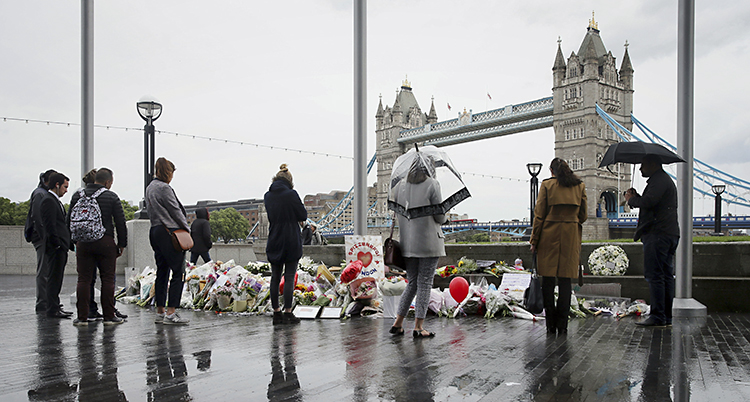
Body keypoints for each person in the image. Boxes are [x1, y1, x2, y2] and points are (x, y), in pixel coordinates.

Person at [389, 155, 446, 338]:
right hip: (429, 243)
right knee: (424, 284)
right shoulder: (432, 184)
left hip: (408, 243)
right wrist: (447, 213)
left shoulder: (399, 186)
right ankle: (419, 327)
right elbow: (440, 217)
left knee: (412, 283)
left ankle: (398, 323)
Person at [529, 158, 587, 335]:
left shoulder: (547, 185)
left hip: (549, 235)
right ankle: (563, 325)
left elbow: (539, 216)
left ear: (551, 171)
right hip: (570, 236)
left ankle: (550, 324)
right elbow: (583, 215)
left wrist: (534, 240)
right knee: (565, 282)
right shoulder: (580, 186)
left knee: (547, 281)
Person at [624, 154, 679, 327]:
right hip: (668, 233)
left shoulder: (659, 181)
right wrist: (636, 198)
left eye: (644, 165)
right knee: (666, 276)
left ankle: (658, 316)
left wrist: (631, 199)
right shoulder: (662, 181)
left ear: (654, 164)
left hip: (658, 235)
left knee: (655, 276)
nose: (640, 168)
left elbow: (649, 201)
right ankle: (666, 316)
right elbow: (653, 203)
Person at [68, 168, 128, 326]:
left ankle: (82, 317)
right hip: (105, 242)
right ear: (108, 182)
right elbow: (120, 223)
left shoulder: (77, 195)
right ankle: (109, 316)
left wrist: (74, 241)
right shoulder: (111, 196)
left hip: (83, 243)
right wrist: (122, 244)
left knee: (84, 279)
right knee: (107, 279)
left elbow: (69, 219)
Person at [146, 157, 191, 325]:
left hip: (155, 230)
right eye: (171, 172)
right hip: (169, 232)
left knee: (162, 271)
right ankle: (171, 313)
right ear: (167, 172)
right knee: (178, 272)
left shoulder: (150, 187)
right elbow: (175, 211)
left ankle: (160, 311)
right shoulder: (164, 188)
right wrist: (186, 229)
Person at [264, 164, 307, 325]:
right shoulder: (292, 194)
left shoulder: (267, 196)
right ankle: (288, 312)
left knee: (275, 277)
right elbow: (303, 214)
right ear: (290, 181)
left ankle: (276, 313)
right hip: (290, 238)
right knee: (289, 277)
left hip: (274, 237)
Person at [25, 169, 63, 315]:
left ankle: (47, 302)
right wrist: (45, 237)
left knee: (46, 270)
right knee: (45, 270)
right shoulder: (41, 194)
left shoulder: (40, 193)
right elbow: (39, 217)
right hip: (42, 238)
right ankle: (44, 303)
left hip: (41, 236)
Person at [39, 172, 73, 319]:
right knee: (54, 278)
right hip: (56, 248)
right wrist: (57, 245)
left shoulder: (53, 200)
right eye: (65, 187)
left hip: (60, 246)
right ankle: (52, 309)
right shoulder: (48, 200)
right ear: (57, 185)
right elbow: (50, 226)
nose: (66, 190)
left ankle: (55, 306)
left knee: (56, 278)